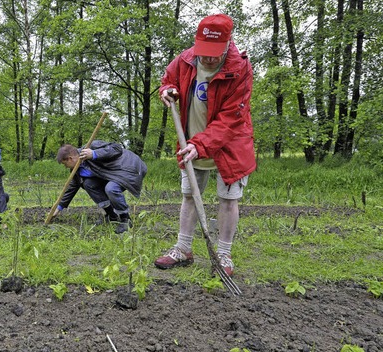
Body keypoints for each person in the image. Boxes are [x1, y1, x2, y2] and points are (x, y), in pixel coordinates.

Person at [154, 14, 256, 276]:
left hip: (228, 145)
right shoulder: (187, 58)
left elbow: (232, 117)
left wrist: (202, 144)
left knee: (228, 199)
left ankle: (223, 255)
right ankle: (183, 248)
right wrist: (167, 90)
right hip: (191, 141)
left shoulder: (240, 68)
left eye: (214, 53)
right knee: (189, 195)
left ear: (228, 43)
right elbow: (169, 79)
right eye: (204, 52)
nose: (208, 58)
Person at [52, 140, 147, 234]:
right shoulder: (77, 169)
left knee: (111, 188)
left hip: (129, 167)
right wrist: (58, 208)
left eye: (65, 164)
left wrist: (94, 153)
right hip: (111, 173)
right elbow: (72, 188)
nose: (66, 167)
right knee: (88, 184)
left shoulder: (92, 147)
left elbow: (117, 149)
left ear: (70, 158)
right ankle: (112, 216)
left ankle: (125, 219)